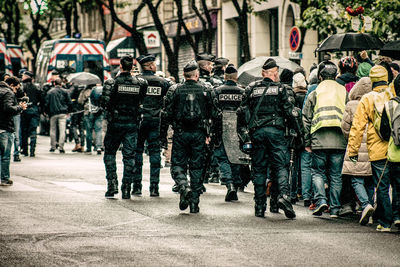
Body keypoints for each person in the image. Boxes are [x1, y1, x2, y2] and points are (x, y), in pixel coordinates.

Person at [237, 58, 296, 219]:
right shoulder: (281, 89)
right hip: (277, 133)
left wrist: (244, 137)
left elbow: (241, 113)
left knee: (259, 169)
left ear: (263, 73)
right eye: (276, 73)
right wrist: (296, 132)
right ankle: (282, 197)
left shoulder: (251, 88)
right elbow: (290, 113)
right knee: (281, 166)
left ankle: (259, 206)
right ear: (273, 73)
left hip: (257, 134)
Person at [162, 61, 218, 213]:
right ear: (197, 75)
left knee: (178, 165)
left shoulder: (174, 90)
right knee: (197, 167)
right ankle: (194, 203)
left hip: (180, 133)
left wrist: (162, 137)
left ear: (184, 75)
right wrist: (214, 135)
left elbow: (166, 115)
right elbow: (216, 114)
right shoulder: (207, 89)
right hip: (199, 134)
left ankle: (183, 187)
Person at [347, 65, 392, 232]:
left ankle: (385, 222)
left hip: (377, 148)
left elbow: (357, 128)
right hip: (395, 148)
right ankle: (397, 216)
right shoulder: (393, 94)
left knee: (381, 185)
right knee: (397, 184)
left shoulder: (367, 99)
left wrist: (353, 151)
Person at [302, 61, 348, 218]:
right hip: (340, 139)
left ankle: (321, 200)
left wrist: (307, 141)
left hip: (319, 138)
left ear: (320, 76)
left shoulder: (315, 91)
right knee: (336, 174)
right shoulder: (343, 91)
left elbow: (306, 118)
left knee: (317, 172)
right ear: (336, 75)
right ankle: (335, 208)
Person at [100, 55, 148, 199]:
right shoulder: (141, 83)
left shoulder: (111, 83)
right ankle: (126, 188)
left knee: (109, 153)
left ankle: (112, 185)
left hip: (115, 124)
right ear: (132, 67)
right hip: (132, 124)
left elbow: (104, 104)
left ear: (120, 66)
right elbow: (141, 100)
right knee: (129, 156)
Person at [132, 54, 171, 197]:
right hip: (156, 121)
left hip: (139, 120)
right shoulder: (163, 82)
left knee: (137, 152)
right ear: (149, 66)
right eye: (154, 64)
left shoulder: (136, 81)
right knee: (155, 153)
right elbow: (169, 100)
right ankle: (154, 187)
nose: (156, 66)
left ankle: (136, 186)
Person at [341, 77, 375, 225]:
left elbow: (345, 127)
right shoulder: (374, 102)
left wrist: (351, 139)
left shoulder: (351, 105)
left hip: (355, 145)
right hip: (373, 146)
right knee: (369, 179)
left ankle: (365, 204)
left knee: (356, 179)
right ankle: (369, 209)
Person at [214, 64, 243, 201]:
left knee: (222, 156)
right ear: (236, 77)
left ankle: (229, 184)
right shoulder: (242, 91)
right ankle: (235, 185)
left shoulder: (217, 91)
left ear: (225, 76)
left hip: (221, 127)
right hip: (237, 128)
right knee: (236, 157)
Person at [196, 53, 222, 184]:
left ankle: (200, 177)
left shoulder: (191, 81)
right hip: (208, 122)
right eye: (211, 64)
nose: (212, 67)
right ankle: (207, 175)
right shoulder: (215, 83)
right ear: (205, 66)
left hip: (195, 121)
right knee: (209, 149)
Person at [380, 74, 400, 230]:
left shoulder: (389, 105)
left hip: (394, 153)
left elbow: (384, 131)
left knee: (395, 186)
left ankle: (396, 216)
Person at [0, 77, 27, 185]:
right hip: (4, 127)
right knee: (5, 156)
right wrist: (20, 107)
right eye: (16, 88)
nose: (16, 91)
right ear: (11, 85)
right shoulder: (8, 93)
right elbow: (8, 108)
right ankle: (4, 178)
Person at [45, 78, 72, 153]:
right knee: (62, 130)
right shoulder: (65, 91)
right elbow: (69, 102)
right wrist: (69, 111)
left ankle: (53, 146)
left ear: (54, 84)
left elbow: (46, 103)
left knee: (52, 130)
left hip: (53, 113)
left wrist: (45, 111)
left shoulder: (50, 92)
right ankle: (61, 147)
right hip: (63, 113)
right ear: (61, 84)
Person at [20, 71, 43, 157]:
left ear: (25, 77)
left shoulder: (22, 88)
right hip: (34, 110)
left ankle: (25, 150)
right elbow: (42, 99)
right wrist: (41, 109)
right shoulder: (37, 88)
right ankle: (32, 150)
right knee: (33, 130)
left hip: (24, 110)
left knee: (24, 131)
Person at [78, 83, 102, 154]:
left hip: (88, 112)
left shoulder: (85, 91)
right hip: (99, 112)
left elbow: (80, 101)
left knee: (89, 131)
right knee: (98, 130)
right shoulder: (99, 90)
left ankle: (89, 148)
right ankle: (98, 147)